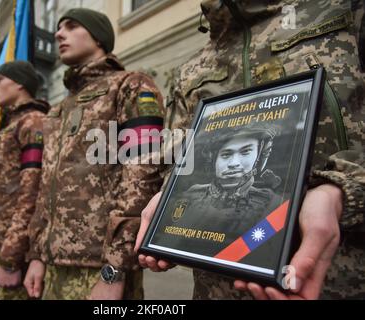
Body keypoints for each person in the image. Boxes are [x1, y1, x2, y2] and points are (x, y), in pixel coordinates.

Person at [135, 0, 364, 300]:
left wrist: (341, 192)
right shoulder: (191, 70)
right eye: (226, 155)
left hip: (332, 283)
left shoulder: (345, 11)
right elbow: (179, 155)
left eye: (244, 153)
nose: (233, 163)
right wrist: (170, 200)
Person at [24, 8, 164, 300]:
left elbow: (142, 174)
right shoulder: (58, 110)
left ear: (98, 37)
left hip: (99, 267)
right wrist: (36, 254)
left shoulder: (131, 85)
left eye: (72, 26)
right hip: (52, 266)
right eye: (58, 28)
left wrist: (114, 270)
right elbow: (44, 186)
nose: (59, 33)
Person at [0, 61, 50, 300]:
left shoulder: (33, 122)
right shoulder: (8, 125)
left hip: (6, 251)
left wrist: (9, 260)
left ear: (19, 84)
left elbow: (32, 193)